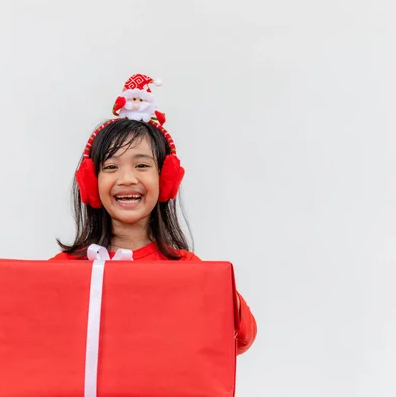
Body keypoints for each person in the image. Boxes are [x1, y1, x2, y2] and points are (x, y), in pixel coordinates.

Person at [49, 73, 257, 355]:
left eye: (142, 166)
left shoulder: (188, 269)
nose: (126, 178)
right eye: (111, 167)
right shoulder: (61, 269)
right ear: (91, 183)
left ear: (166, 179)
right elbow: (2, 321)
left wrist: (209, 287)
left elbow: (242, 337)